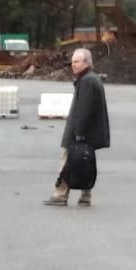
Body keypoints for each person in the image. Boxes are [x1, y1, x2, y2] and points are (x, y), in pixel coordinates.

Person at [44, 48, 110, 207]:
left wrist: (79, 133)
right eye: (72, 61)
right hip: (90, 132)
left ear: (86, 63)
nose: (73, 65)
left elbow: (84, 109)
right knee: (85, 164)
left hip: (79, 133)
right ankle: (86, 196)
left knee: (67, 162)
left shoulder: (86, 81)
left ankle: (60, 195)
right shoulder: (93, 78)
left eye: (77, 61)